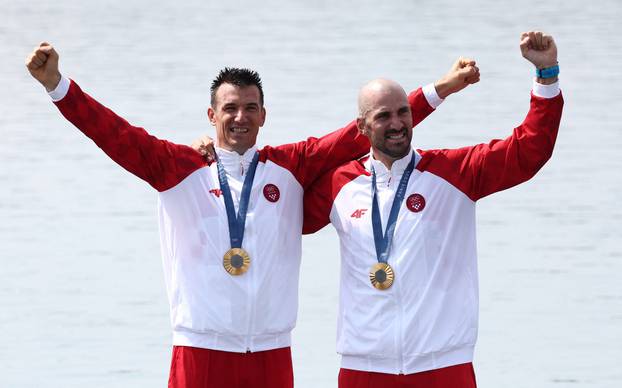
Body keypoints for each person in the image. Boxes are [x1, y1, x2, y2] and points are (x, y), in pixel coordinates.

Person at [25, 42, 477, 388]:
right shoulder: (177, 168)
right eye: (230, 108)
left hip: (272, 356)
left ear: (263, 115)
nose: (240, 117)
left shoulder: (291, 167)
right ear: (211, 115)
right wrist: (58, 87)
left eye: (250, 108)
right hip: (201, 352)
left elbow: (368, 130)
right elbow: (115, 135)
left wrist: (440, 91)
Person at [301, 31, 563, 387]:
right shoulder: (338, 185)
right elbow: (272, 215)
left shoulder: (456, 172)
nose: (397, 124)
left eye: (403, 113)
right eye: (383, 116)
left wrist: (546, 76)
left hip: (442, 365)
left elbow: (529, 151)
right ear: (361, 127)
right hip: (363, 367)